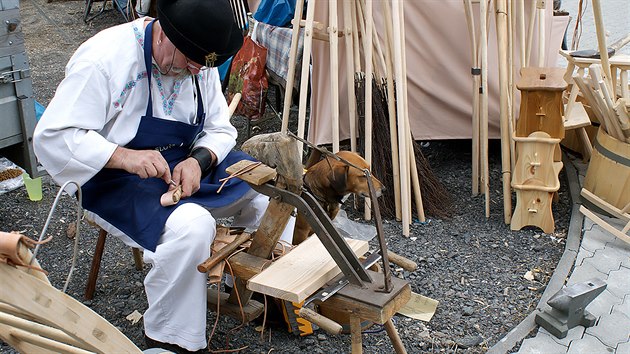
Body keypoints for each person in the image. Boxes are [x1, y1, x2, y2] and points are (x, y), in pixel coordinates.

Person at [33, 0, 294, 352]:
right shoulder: (104, 60)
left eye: (201, 67)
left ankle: (270, 293)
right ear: (165, 32)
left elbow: (219, 127)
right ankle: (172, 338)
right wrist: (124, 156)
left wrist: (200, 161)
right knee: (192, 226)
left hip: (180, 162)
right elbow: (53, 136)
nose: (193, 72)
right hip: (111, 177)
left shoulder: (198, 62)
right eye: (188, 62)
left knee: (267, 190)